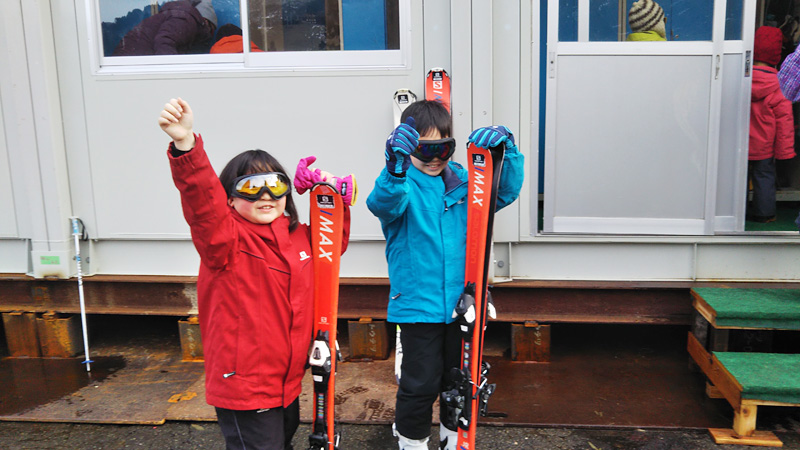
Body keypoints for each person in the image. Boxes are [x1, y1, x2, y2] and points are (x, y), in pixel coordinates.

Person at [158, 97, 351, 450]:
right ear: (229, 198)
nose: (266, 195)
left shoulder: (297, 236)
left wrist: (330, 196)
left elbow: (330, 249)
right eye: (250, 187)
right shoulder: (224, 241)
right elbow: (202, 201)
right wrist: (186, 145)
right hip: (244, 385)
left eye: (275, 185)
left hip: (288, 380)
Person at [366, 100, 524, 450]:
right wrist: (394, 167)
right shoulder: (402, 183)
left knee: (459, 380)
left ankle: (454, 438)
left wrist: (507, 151)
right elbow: (382, 204)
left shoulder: (468, 181)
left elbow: (505, 191)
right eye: (426, 148)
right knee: (419, 384)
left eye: (445, 148)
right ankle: (411, 441)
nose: (436, 157)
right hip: (417, 306)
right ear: (409, 148)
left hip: (463, 303)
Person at [748, 26, 795, 223]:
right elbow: (784, 120)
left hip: (737, 144)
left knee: (734, 178)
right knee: (764, 176)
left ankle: (729, 214)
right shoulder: (779, 84)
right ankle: (764, 214)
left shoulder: (740, 79)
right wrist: (784, 152)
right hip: (763, 146)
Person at [113, 0, 217, 56]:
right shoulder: (187, 19)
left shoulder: (180, 15)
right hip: (131, 63)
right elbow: (164, 42)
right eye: (211, 31)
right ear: (206, 21)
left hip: (128, 60)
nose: (209, 36)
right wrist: (176, 74)